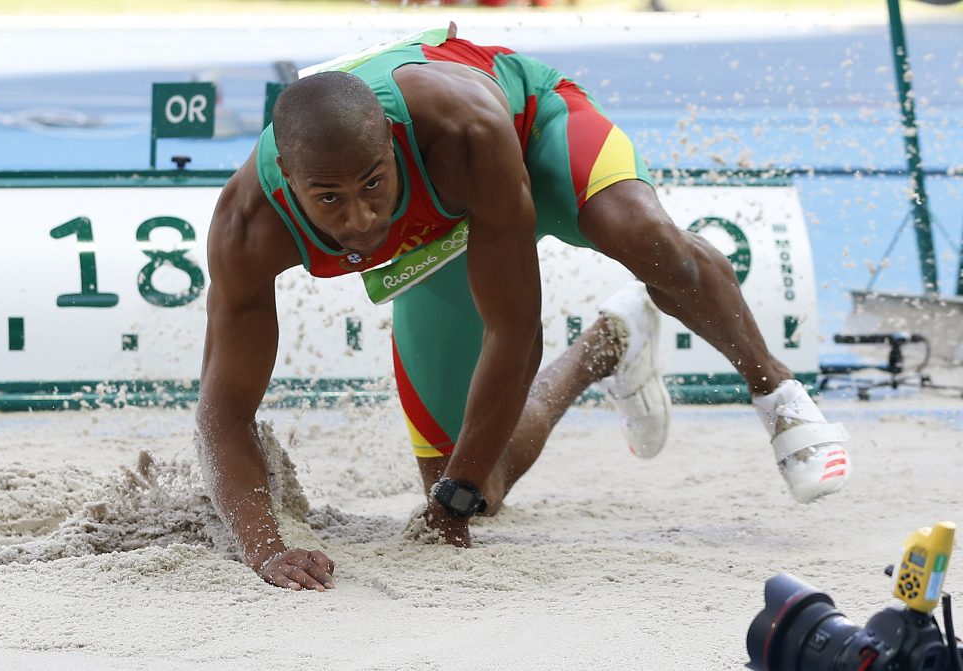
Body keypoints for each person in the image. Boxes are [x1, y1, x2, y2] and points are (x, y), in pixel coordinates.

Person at [196, 24, 851, 592]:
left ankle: (776, 388)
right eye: (330, 199)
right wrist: (266, 548)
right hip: (439, 241)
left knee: (652, 245)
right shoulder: (246, 227)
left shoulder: (461, 131)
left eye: (373, 183)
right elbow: (223, 410)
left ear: (395, 144)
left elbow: (514, 329)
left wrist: (450, 506)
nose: (363, 217)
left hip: (530, 135)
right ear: (286, 173)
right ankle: (608, 343)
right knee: (486, 481)